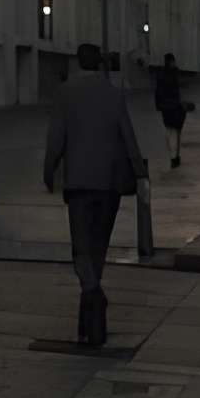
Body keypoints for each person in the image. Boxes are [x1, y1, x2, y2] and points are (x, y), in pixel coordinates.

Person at [43, 41, 147, 347]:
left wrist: (49, 169)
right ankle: (91, 314)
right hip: (109, 182)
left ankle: (92, 294)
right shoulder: (113, 94)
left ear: (77, 62)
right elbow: (128, 135)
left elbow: (56, 137)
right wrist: (140, 173)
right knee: (99, 244)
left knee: (81, 247)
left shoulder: (65, 93)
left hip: (78, 182)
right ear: (100, 63)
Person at [152, 51, 189, 168]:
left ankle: (173, 157)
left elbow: (158, 92)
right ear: (172, 61)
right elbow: (180, 85)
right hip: (174, 107)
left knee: (169, 132)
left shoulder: (161, 75)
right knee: (175, 133)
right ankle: (175, 157)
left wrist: (158, 105)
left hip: (165, 108)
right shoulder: (174, 74)